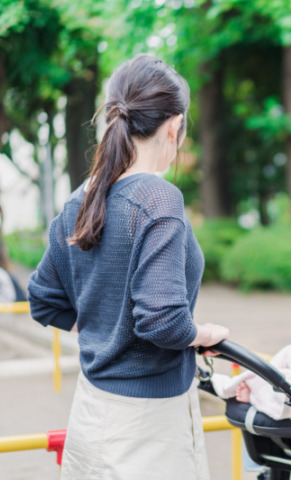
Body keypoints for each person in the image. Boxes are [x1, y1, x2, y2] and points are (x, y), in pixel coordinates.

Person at [27, 55, 229, 480]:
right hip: (148, 429)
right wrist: (202, 335)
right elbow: (162, 321)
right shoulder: (159, 201)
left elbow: (43, 300)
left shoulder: (81, 199)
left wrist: (103, 327)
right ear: (174, 126)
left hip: (92, 412)